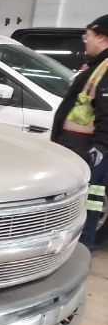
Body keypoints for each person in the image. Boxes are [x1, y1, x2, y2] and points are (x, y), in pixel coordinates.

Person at [51, 14, 108, 249]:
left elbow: (106, 115)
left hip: (88, 152)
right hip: (78, 149)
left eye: (89, 35)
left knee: (86, 204)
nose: (86, 40)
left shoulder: (106, 69)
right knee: (79, 204)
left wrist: (100, 149)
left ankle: (81, 249)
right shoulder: (96, 66)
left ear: (102, 37)